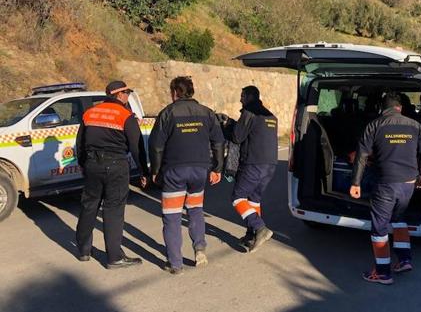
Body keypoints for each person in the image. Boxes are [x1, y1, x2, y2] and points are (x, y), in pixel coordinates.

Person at [349, 91, 421, 285]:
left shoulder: (374, 125)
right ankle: (404, 260)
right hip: (409, 184)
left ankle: (383, 273)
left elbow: (361, 156)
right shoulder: (415, 125)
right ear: (400, 108)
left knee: (379, 227)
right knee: (399, 219)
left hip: (386, 184)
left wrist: (355, 183)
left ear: (382, 108)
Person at [149, 76, 225, 275]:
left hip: (175, 170)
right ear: (192, 91)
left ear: (175, 92)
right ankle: (199, 249)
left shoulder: (167, 113)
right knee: (195, 209)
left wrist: (155, 171)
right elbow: (219, 142)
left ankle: (175, 263)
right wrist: (217, 168)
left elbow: (156, 146)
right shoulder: (208, 113)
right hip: (200, 171)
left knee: (172, 217)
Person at [75, 80, 149, 269]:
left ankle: (83, 250)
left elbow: (80, 143)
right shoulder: (125, 115)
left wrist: (83, 163)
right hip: (116, 165)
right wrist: (144, 171)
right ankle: (114, 257)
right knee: (113, 209)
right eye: (127, 94)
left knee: (89, 205)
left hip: (92, 164)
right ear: (119, 95)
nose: (128, 97)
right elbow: (137, 146)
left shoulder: (90, 113)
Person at [230, 86, 278, 253]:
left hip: (253, 164)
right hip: (270, 165)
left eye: (242, 96)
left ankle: (260, 228)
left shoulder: (250, 112)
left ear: (250, 97)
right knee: (253, 200)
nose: (240, 99)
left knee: (238, 197)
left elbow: (237, 136)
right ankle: (251, 236)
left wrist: (228, 124)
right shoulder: (271, 116)